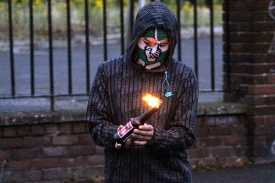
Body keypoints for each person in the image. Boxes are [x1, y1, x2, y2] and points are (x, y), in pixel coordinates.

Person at [86, 1, 199, 183]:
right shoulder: (108, 72)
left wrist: (155, 137)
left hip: (170, 175)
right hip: (122, 175)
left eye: (162, 44)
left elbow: (186, 133)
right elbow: (95, 124)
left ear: (172, 42)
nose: (153, 51)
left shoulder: (184, 76)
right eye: (147, 42)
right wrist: (118, 134)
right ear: (137, 36)